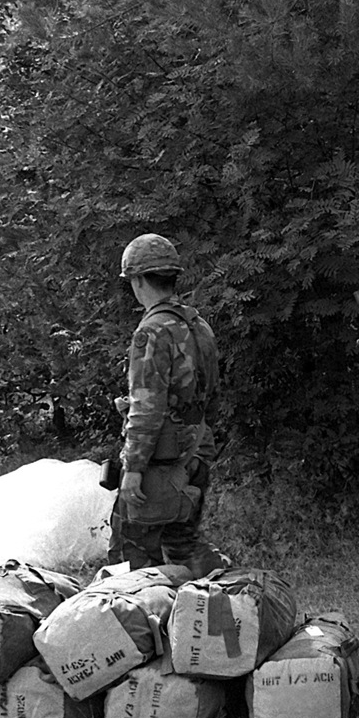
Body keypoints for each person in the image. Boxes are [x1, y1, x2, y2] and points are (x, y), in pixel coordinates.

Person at [114, 233, 225, 577]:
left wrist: (133, 468)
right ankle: (204, 617)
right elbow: (213, 394)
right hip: (197, 451)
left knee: (131, 557)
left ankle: (145, 627)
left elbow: (147, 408)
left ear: (137, 280)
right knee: (181, 545)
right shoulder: (198, 325)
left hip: (161, 461)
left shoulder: (152, 331)